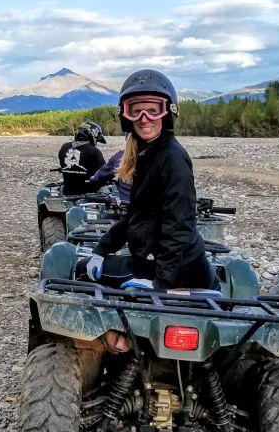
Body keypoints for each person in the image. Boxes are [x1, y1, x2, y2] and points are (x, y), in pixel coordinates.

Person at [77, 69, 220, 291]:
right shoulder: (149, 154)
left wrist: (160, 284)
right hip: (169, 264)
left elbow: (179, 225)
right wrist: (102, 249)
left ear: (168, 112)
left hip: (175, 271)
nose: (144, 120)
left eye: (153, 111)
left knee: (80, 271)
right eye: (136, 111)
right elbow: (137, 215)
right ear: (125, 116)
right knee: (93, 264)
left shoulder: (172, 158)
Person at [58, 121, 106, 195]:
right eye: (96, 139)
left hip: (68, 191)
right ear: (92, 135)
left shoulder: (64, 147)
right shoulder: (94, 151)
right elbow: (104, 173)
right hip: (89, 193)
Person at [88, 135, 132, 202]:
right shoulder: (153, 157)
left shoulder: (119, 156)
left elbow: (98, 177)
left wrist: (91, 178)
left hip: (126, 206)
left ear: (127, 139)